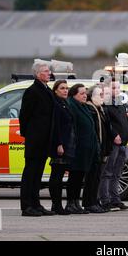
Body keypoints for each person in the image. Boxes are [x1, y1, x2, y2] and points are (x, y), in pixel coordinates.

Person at [19, 61, 56, 217]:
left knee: (38, 175)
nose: (49, 73)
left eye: (48, 71)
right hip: (35, 140)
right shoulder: (32, 91)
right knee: (30, 174)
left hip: (44, 140)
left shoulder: (46, 89)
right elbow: (24, 116)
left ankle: (36, 204)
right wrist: (30, 135)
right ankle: (27, 206)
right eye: (46, 71)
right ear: (38, 73)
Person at [99, 80, 128, 211]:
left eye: (118, 87)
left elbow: (125, 120)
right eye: (113, 87)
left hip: (123, 143)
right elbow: (107, 123)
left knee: (117, 173)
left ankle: (115, 199)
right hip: (113, 143)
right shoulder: (105, 105)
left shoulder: (120, 103)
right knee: (107, 172)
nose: (117, 90)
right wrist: (114, 135)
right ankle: (105, 199)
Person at [65, 83, 99, 214]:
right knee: (74, 177)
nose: (85, 96)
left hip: (86, 149)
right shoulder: (71, 106)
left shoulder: (83, 107)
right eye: (82, 93)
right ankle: (70, 203)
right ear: (74, 95)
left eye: (85, 93)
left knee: (79, 177)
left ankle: (76, 203)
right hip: (77, 148)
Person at [84, 85, 113, 213]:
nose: (103, 97)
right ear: (91, 96)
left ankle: (94, 201)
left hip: (101, 149)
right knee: (91, 178)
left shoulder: (100, 109)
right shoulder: (91, 109)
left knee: (96, 177)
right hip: (94, 149)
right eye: (100, 94)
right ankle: (89, 202)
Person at [48, 80, 75, 215]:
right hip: (59, 145)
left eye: (66, 88)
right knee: (56, 177)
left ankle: (58, 205)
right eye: (62, 88)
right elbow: (56, 126)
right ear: (56, 90)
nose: (65, 90)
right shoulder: (56, 104)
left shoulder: (65, 103)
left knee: (59, 177)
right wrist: (58, 144)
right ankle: (56, 205)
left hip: (67, 144)